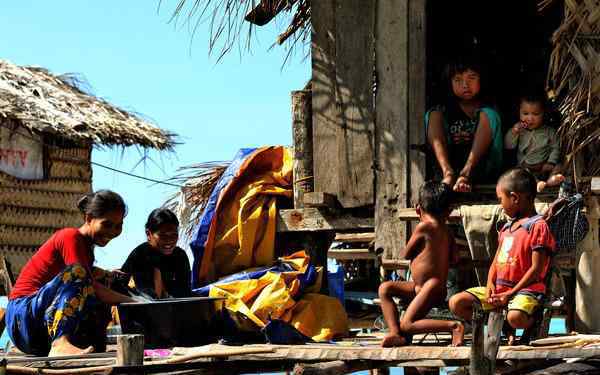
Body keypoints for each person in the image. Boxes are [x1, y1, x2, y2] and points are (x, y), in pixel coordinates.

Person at [5, 190, 134, 357]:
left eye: (118, 226)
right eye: (107, 224)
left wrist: (108, 276)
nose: (113, 231)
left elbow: (92, 279)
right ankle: (60, 343)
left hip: (40, 331)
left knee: (108, 280)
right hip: (23, 318)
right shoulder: (70, 237)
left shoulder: (87, 250)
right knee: (80, 275)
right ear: (88, 218)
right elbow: (88, 282)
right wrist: (133, 300)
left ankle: (90, 344)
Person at [449, 168, 556, 344]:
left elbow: (536, 269)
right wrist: (490, 284)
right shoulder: (506, 228)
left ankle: (525, 321)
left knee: (516, 318)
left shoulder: (538, 226)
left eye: (501, 200)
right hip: (499, 292)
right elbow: (496, 262)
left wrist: (511, 293)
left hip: (524, 292)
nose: (500, 205)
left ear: (514, 198)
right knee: (456, 302)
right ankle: (505, 326)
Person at [379, 181, 464, 347]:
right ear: (448, 211)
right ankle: (396, 334)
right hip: (426, 287)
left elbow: (406, 254)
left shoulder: (424, 227)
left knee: (407, 324)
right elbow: (455, 259)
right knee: (386, 288)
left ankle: (454, 326)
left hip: (430, 287)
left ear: (418, 209)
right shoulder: (448, 232)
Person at [425, 56, 503, 192]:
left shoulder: (489, 107)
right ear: (450, 83)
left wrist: (473, 138)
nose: (465, 85)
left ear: (481, 79)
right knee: (432, 114)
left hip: (482, 168)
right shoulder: (446, 109)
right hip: (452, 163)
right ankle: (447, 173)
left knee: (489, 114)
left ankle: (465, 174)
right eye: (458, 80)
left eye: (471, 78)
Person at [121, 208, 191, 299]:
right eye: (163, 235)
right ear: (148, 234)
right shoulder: (140, 254)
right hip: (147, 307)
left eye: (174, 234)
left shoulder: (180, 255)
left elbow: (185, 290)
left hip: (176, 307)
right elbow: (121, 284)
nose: (169, 240)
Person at [504, 91, 564, 192]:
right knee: (520, 173)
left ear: (544, 113)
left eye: (536, 114)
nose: (530, 118)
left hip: (544, 166)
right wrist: (514, 132)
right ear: (519, 112)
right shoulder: (519, 131)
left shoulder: (549, 131)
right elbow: (508, 145)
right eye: (525, 113)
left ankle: (550, 179)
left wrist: (551, 162)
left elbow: (556, 147)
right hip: (526, 167)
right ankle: (536, 183)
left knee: (560, 166)